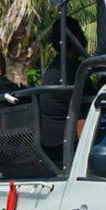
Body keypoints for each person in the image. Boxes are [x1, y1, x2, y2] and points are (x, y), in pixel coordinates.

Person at [37, 17, 86, 163]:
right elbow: (82, 123)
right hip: (69, 152)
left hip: (54, 149)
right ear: (77, 37)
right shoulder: (73, 71)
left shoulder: (53, 69)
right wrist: (86, 162)